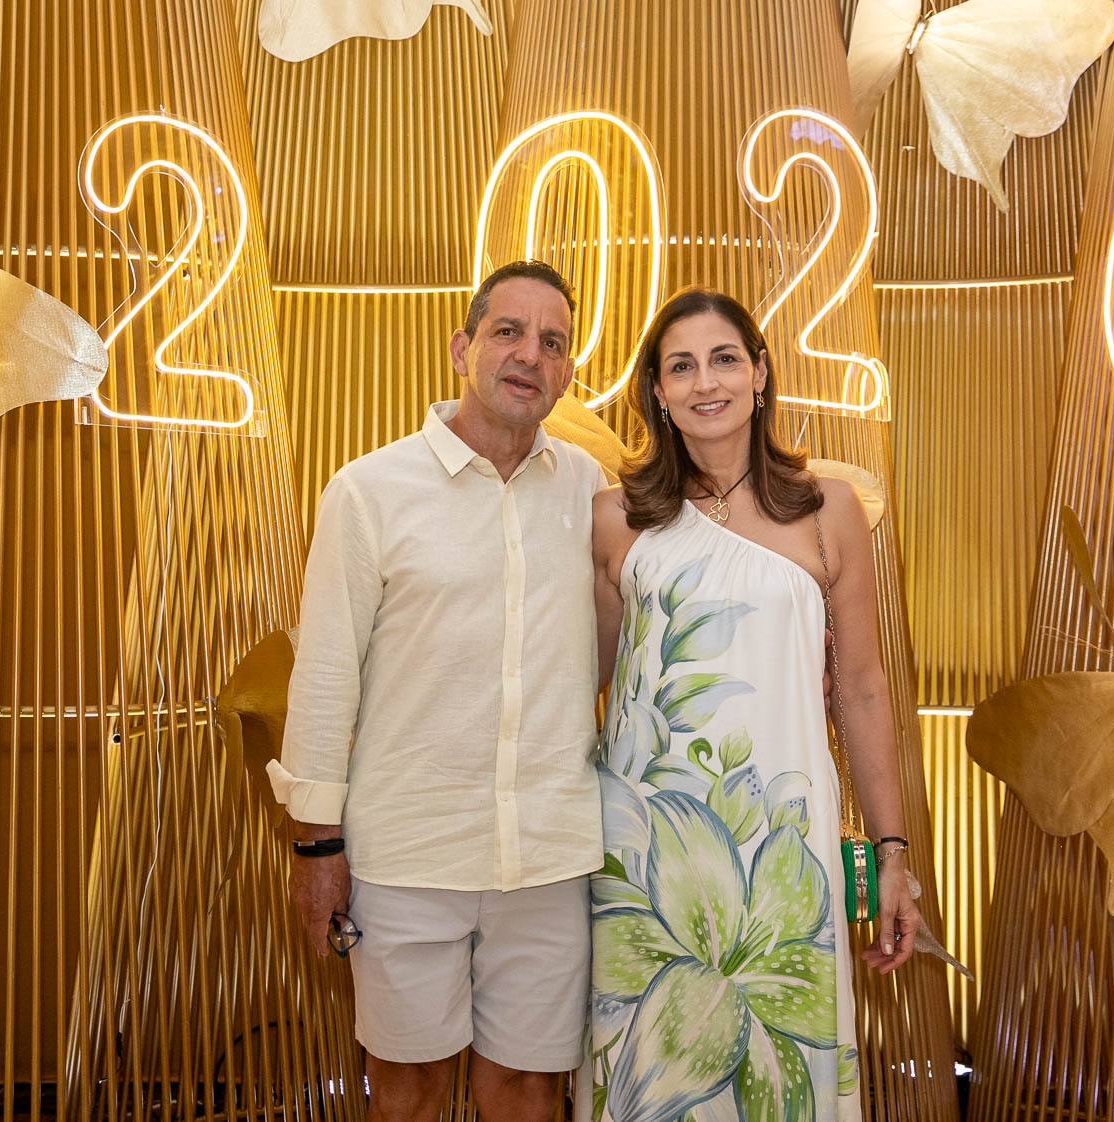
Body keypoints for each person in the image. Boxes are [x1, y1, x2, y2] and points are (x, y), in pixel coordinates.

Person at [268, 260, 606, 1122]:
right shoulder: (367, 492)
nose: (529, 355)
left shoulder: (591, 493)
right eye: (508, 332)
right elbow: (324, 681)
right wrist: (316, 851)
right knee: (409, 1090)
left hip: (549, 857)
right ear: (462, 348)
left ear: (568, 371)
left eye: (552, 342)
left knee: (527, 1091)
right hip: (407, 856)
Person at [585, 287, 919, 1122]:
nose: (706, 382)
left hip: (782, 844)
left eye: (725, 359)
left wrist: (891, 851)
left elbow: (862, 688)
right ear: (656, 393)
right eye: (681, 366)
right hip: (647, 852)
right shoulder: (615, 519)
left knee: (777, 1082)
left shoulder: (827, 508)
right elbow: (583, 680)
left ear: (761, 373)